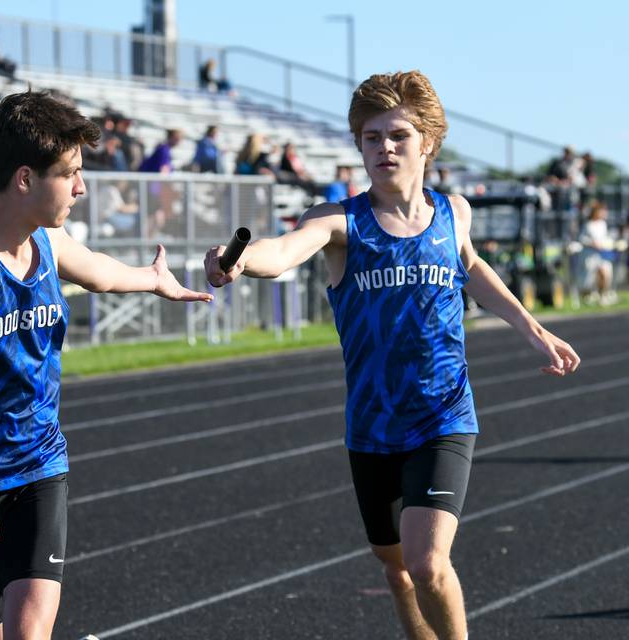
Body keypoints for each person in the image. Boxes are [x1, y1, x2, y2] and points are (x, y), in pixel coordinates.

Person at [204, 70, 580, 640]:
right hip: (373, 423)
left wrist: (532, 328)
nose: (385, 148)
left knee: (429, 564)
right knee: (398, 568)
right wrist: (237, 261)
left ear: (427, 142)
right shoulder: (339, 224)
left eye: (398, 135)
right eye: (372, 137)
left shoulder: (454, 212)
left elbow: (470, 265)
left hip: (443, 415)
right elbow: (280, 254)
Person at [0, 90, 211, 640]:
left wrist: (154, 280)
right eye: (70, 174)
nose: (81, 188)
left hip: (37, 465)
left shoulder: (48, 240)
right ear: (26, 179)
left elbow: (100, 271)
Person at [579, 200, 617, 305]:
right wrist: (592, 243)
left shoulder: (603, 224)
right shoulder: (588, 225)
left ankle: (603, 296)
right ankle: (588, 296)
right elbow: (582, 239)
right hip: (590, 256)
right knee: (589, 280)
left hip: (602, 255)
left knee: (605, 273)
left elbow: (605, 238)